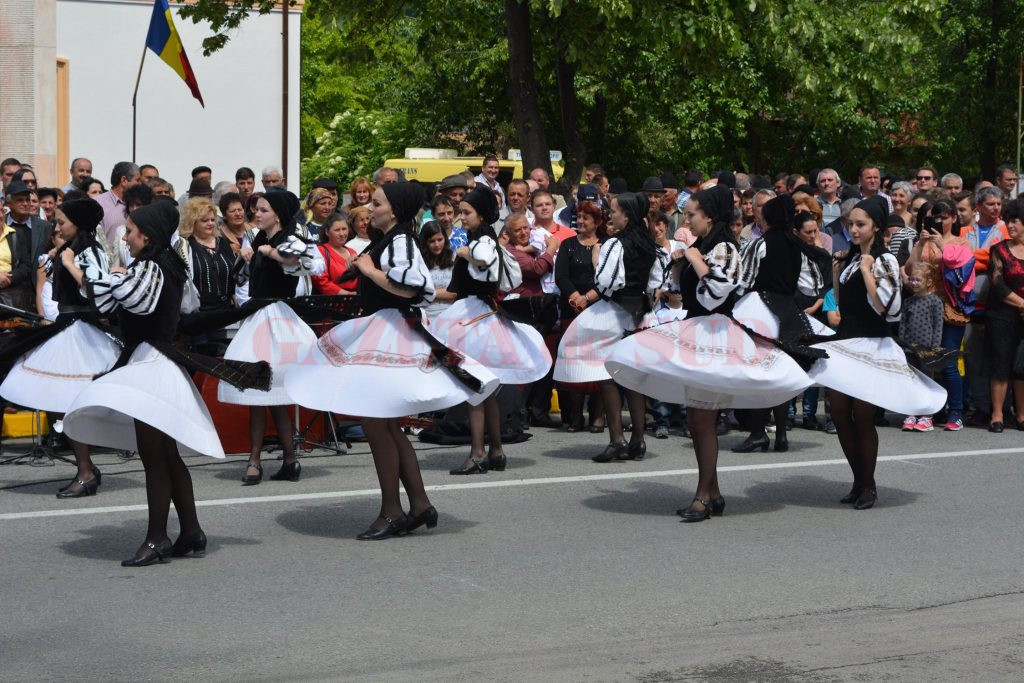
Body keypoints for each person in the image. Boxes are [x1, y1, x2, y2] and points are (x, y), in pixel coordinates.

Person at [285, 182, 497, 539]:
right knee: (384, 425)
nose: (370, 208)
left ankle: (393, 510)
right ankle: (417, 504)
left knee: (377, 423)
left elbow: (412, 287)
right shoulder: (390, 239)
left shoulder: (400, 240)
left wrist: (368, 270)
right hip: (384, 328)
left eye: (378, 203)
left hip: (391, 330)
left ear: (395, 210)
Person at [62, 201, 270, 565]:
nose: (125, 236)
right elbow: (183, 315)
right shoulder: (172, 265)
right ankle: (190, 530)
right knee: (166, 456)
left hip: (153, 366)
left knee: (155, 457)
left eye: (129, 231)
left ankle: (158, 538)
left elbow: (117, 300)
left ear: (146, 235)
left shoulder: (150, 268)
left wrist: (84, 272)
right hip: (158, 361)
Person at [607, 186, 812, 522]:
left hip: (718, 335)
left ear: (710, 217)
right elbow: (683, 294)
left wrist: (692, 257)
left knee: (703, 419)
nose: (686, 221)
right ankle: (711, 493)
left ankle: (704, 495)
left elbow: (717, 292)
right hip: (697, 328)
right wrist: (680, 268)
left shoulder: (725, 248)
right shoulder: (704, 246)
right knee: (696, 418)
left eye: (692, 215)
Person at [808, 196, 946, 510]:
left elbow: (889, 308)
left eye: (861, 225)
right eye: (850, 224)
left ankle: (868, 485)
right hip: (846, 340)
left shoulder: (883, 261)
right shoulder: (853, 259)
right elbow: (842, 303)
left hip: (872, 342)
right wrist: (837, 271)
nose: (853, 230)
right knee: (839, 413)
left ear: (876, 227)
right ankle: (858, 480)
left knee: (863, 415)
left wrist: (869, 270)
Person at [0, 198, 122, 498]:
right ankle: (86, 467)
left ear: (78, 224)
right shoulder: (70, 250)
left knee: (69, 402)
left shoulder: (89, 251)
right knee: (58, 402)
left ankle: (85, 470)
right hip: (67, 326)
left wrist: (68, 263)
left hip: (81, 330)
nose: (56, 227)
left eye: (62, 222)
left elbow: (97, 289)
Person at [432, 186, 551, 475]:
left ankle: (477, 453)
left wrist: (464, 251)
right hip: (479, 316)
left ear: (481, 214)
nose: (461, 218)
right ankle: (495, 450)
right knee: (486, 389)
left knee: (475, 387)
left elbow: (483, 259)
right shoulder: (483, 238)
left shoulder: (482, 240)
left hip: (474, 318)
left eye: (466, 212)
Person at [218, 190, 323, 486]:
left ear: (278, 213)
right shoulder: (259, 239)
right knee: (259, 392)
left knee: (271, 393)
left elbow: (302, 261)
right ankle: (271, 459)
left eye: (263, 210)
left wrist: (266, 253)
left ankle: (275, 460)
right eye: (257, 210)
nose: (257, 215)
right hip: (259, 315)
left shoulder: (288, 239)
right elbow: (241, 279)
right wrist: (247, 257)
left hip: (280, 318)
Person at [555, 192, 658, 463]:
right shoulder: (648, 243)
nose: (610, 215)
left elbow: (605, 282)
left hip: (614, 313)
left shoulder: (615, 244)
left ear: (626, 214)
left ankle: (617, 440)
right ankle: (638, 439)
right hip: (640, 314)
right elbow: (657, 280)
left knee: (607, 375)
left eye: (613, 211)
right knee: (634, 377)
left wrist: (597, 261)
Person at [904, 199, 973, 430]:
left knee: (949, 363)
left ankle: (956, 412)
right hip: (923, 307)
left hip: (950, 308)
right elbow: (909, 270)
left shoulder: (961, 242)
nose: (940, 221)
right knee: (925, 361)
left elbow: (960, 267)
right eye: (936, 217)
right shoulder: (923, 242)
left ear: (954, 218)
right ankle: (927, 410)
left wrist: (942, 245)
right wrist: (919, 244)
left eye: (944, 217)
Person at [554, 200, 605, 432]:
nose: (581, 221)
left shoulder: (606, 246)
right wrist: (577, 297)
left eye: (586, 217)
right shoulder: (567, 245)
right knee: (574, 364)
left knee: (598, 364)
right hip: (572, 312)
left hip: (600, 313)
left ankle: (597, 415)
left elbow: (608, 279)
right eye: (579, 217)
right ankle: (575, 416)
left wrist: (589, 298)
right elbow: (561, 277)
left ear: (597, 222)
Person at [984, 199, 1024, 432]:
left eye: (1015, 221)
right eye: (1008, 221)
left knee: (1022, 368)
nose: (1009, 225)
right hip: (1001, 316)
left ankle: (1021, 415)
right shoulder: (998, 249)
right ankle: (997, 415)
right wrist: (1022, 303)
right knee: (1000, 365)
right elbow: (997, 285)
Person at [898, 262, 944, 432]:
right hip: (909, 349)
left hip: (926, 350)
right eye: (912, 279)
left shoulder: (935, 302)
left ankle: (927, 416)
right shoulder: (908, 301)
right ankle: (911, 413)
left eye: (918, 280)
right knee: (912, 382)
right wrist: (901, 347)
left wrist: (934, 349)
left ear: (929, 281)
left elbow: (938, 326)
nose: (914, 283)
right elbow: (903, 325)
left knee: (927, 381)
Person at [175, 197, 236, 312]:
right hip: (198, 312)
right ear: (193, 222)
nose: (210, 224)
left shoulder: (222, 242)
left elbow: (234, 273)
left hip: (226, 309)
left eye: (213, 220)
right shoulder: (185, 244)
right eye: (205, 220)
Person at [0, 181, 41, 309]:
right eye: (20, 200)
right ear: (9, 203)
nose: (25, 203)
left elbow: (26, 264)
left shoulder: (16, 233)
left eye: (27, 200)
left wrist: (9, 278)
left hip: (17, 296)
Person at [506, 212, 556, 297]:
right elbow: (537, 269)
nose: (523, 232)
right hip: (525, 303)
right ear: (508, 234)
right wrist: (551, 247)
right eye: (517, 230)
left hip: (546, 300)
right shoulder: (510, 251)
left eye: (525, 227)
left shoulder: (534, 239)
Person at [311, 213, 357, 295]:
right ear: (327, 232)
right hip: (333, 302)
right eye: (337, 230)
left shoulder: (352, 252)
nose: (342, 234)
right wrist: (347, 294)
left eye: (344, 229)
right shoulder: (320, 251)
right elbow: (321, 282)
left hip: (356, 300)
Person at [419, 221, 456, 319]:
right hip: (425, 315)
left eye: (440, 239)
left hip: (451, 314)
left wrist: (427, 293)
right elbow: (414, 293)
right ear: (425, 242)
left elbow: (455, 293)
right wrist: (443, 293)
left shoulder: (454, 258)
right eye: (432, 241)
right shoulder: (418, 262)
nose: (437, 244)